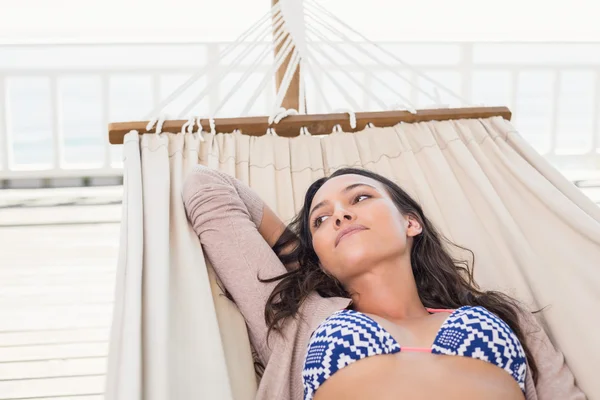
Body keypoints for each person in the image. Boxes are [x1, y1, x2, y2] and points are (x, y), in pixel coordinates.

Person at [182, 165, 585, 400]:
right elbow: (207, 186)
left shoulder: (500, 314)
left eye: (359, 199)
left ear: (411, 222)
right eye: (321, 219)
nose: (340, 215)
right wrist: (313, 261)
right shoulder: (298, 319)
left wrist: (329, 242)